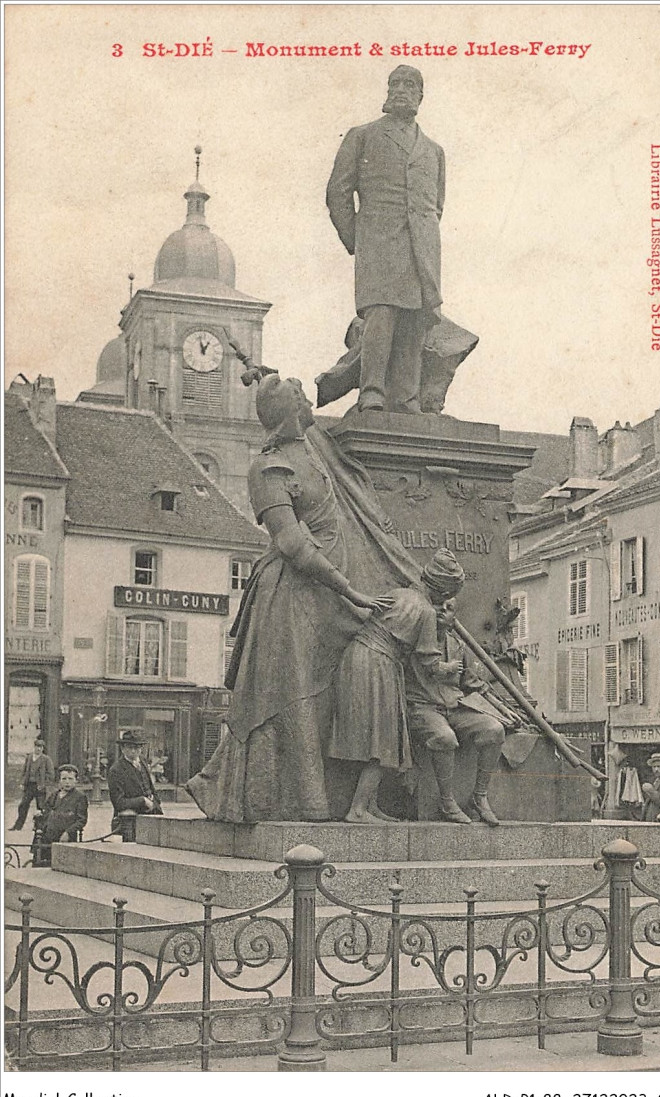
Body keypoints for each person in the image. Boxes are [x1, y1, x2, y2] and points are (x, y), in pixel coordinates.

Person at [186, 373, 397, 824]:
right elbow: (292, 544)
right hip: (291, 597)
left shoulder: (316, 449)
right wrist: (351, 590)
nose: (309, 401)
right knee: (291, 697)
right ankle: (288, 802)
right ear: (290, 411)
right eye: (301, 396)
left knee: (325, 696)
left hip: (329, 597)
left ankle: (325, 798)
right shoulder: (268, 469)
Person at [326, 65, 445, 414]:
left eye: (410, 85)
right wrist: (358, 241)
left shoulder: (434, 151)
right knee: (382, 315)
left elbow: (435, 205)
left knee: (416, 318)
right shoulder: (363, 136)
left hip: (421, 249)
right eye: (396, 83)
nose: (402, 90)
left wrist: (425, 239)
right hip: (378, 243)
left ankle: (406, 397)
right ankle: (372, 391)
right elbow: (338, 193)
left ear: (421, 97)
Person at [330, 549, 467, 823]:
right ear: (442, 592)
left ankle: (370, 806)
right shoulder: (426, 611)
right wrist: (452, 668)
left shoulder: (400, 594)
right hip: (378, 663)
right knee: (384, 739)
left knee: (376, 735)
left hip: (356, 656)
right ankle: (357, 809)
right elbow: (429, 663)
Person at [405, 590, 521, 826]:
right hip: (423, 708)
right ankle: (447, 803)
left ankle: (479, 797)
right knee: (445, 738)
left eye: (448, 608)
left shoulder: (457, 645)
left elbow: (474, 683)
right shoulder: (413, 639)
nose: (440, 611)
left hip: (455, 706)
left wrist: (501, 708)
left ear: (454, 618)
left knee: (494, 729)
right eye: (437, 605)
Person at [108, 728, 163, 831]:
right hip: (130, 822)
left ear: (141, 748)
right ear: (123, 749)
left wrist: (155, 803)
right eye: (129, 747)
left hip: (152, 816)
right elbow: (118, 803)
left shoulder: (143, 762)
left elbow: (151, 787)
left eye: (137, 747)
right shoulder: (116, 770)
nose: (133, 751)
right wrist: (143, 801)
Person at [11, 738, 55, 831]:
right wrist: (22, 783)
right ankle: (18, 826)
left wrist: (43, 784)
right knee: (23, 805)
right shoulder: (29, 757)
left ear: (43, 748)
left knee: (41, 807)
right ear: (34, 747)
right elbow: (24, 771)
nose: (39, 749)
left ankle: (39, 826)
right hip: (29, 786)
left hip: (40, 787)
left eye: (41, 747)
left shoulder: (46, 759)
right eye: (37, 746)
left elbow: (51, 774)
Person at [38, 764, 88, 845]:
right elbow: (46, 812)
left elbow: (81, 820)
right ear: (60, 781)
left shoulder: (79, 797)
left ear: (76, 780)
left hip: (66, 836)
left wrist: (68, 833)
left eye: (70, 779)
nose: (67, 782)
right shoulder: (54, 795)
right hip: (48, 834)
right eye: (64, 779)